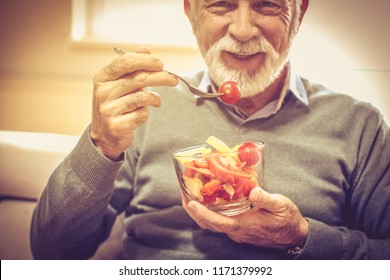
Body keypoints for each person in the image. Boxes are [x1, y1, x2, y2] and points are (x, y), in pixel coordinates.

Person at [31, 0, 389, 260]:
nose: (243, 30)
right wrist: (101, 143)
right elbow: (52, 253)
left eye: (267, 5)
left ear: (299, 12)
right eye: (221, 5)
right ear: (191, 13)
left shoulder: (358, 125)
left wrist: (300, 238)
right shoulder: (145, 111)